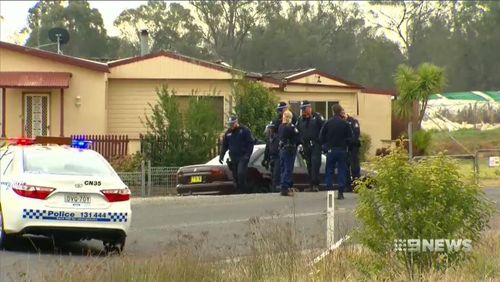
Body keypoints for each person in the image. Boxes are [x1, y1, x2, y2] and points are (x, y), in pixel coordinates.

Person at [319, 104, 352, 200]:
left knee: (329, 170)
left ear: (333, 111)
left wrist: (325, 146)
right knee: (342, 170)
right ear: (340, 111)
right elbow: (350, 138)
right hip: (342, 150)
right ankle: (341, 192)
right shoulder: (345, 124)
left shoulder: (328, 123)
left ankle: (329, 190)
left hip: (331, 150)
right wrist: (346, 145)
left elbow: (321, 137)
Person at [219, 116, 255, 194]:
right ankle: (238, 191)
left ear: (236, 122)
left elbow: (250, 144)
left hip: (242, 156)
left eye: (232, 124)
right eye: (230, 124)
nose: (231, 125)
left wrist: (247, 155)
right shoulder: (228, 133)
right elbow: (224, 145)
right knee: (235, 176)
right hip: (233, 157)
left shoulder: (244, 130)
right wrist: (221, 156)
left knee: (241, 173)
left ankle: (243, 190)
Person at [296, 100, 324, 192]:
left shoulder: (317, 117)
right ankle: (311, 184)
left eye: (305, 109)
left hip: (315, 144)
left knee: (315, 164)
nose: (303, 111)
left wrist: (322, 142)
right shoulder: (300, 119)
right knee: (309, 164)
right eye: (302, 109)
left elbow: (324, 129)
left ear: (309, 108)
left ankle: (315, 184)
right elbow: (298, 131)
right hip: (306, 145)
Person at [278, 110, 300, 196]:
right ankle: (285, 188)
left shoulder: (280, 126)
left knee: (283, 169)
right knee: (288, 169)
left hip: (282, 149)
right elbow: (297, 137)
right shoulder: (291, 127)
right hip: (290, 149)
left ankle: (284, 186)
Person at [341, 110, 361, 190]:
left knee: (354, 167)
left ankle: (356, 185)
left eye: (343, 115)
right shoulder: (341, 122)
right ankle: (347, 185)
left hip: (353, 147)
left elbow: (356, 133)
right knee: (345, 167)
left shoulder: (353, 121)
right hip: (345, 147)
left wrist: (349, 141)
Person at [261, 122, 280, 192]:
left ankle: (276, 189)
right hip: (272, 159)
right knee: (272, 175)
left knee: (276, 175)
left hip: (278, 158)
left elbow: (277, 150)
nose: (267, 132)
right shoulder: (269, 139)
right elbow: (267, 150)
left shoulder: (277, 138)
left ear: (271, 130)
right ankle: (274, 189)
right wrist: (265, 160)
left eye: (268, 130)